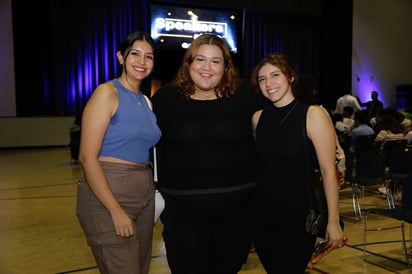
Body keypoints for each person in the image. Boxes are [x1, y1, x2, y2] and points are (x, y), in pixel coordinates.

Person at [151, 34, 263, 274]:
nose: (207, 68)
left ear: (226, 67)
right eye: (200, 59)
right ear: (188, 62)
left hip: (237, 211)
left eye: (215, 61)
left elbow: (276, 126)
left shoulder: (245, 95)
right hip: (183, 213)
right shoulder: (165, 99)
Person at [76, 31, 161, 274]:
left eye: (149, 57)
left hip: (144, 195)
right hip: (109, 192)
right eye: (135, 54)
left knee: (140, 268)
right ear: (121, 57)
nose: (142, 62)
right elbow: (87, 157)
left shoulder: (146, 101)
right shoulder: (107, 93)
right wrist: (114, 210)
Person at [250, 53, 345, 273]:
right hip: (262, 215)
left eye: (275, 75)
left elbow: (328, 171)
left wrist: (333, 220)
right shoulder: (258, 118)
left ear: (290, 77)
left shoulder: (313, 115)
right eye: (262, 79)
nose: (268, 83)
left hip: (299, 217)